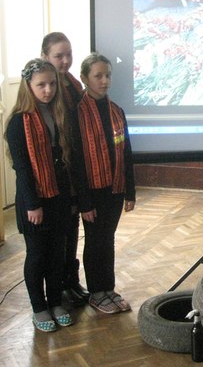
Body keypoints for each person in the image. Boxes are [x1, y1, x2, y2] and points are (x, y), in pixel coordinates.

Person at [4, 59, 74, 332]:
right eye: (41, 85)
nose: (48, 90)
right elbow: (22, 169)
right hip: (33, 200)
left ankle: (55, 302)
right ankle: (39, 307)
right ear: (28, 86)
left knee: (57, 254)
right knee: (37, 256)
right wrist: (33, 204)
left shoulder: (58, 113)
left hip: (58, 196)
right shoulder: (18, 122)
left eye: (52, 84)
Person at [71, 54, 136, 314]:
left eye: (107, 75)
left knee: (107, 239)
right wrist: (84, 202)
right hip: (92, 192)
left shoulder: (116, 111)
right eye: (98, 76)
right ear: (84, 78)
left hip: (114, 188)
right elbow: (76, 160)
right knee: (95, 241)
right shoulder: (76, 113)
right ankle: (96, 292)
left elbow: (126, 152)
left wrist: (130, 191)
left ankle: (108, 288)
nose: (104, 81)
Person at [40, 32, 89, 307]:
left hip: (73, 167)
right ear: (45, 56)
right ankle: (56, 287)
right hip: (52, 172)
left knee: (72, 226)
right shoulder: (42, 87)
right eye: (59, 56)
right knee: (57, 234)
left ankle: (71, 280)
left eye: (68, 54)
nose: (66, 60)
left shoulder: (72, 83)